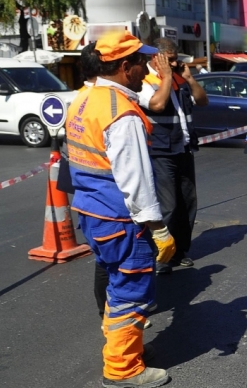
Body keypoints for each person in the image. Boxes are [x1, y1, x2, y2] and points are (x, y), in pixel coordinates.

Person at [66, 30, 175, 388]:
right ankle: (123, 369)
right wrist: (159, 229)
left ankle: (125, 349)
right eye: (141, 61)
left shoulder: (84, 99)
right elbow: (137, 182)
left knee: (116, 287)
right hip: (121, 219)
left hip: (92, 213)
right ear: (125, 67)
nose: (146, 66)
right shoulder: (122, 114)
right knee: (131, 291)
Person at [137, 38, 208, 275]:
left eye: (176, 58)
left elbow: (202, 100)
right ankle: (161, 256)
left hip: (184, 147)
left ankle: (180, 251)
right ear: (154, 58)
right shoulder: (145, 81)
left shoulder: (179, 77)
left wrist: (188, 78)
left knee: (188, 202)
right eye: (169, 60)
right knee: (168, 205)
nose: (175, 63)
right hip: (161, 150)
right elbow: (156, 106)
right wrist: (167, 77)